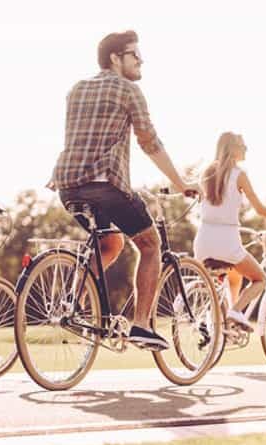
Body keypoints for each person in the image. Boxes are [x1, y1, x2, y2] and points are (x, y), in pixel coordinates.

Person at [50, 30, 199, 350]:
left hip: (67, 185)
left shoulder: (76, 89)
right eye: (134, 54)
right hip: (105, 184)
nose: (141, 59)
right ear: (115, 58)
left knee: (109, 244)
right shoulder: (128, 90)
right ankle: (142, 325)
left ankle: (73, 306)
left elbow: (78, 139)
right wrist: (180, 183)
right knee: (149, 244)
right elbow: (149, 142)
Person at [194, 132, 266, 331]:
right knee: (260, 279)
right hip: (227, 241)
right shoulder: (238, 174)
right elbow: (259, 209)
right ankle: (235, 312)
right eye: (242, 145)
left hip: (203, 240)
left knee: (234, 274)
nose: (246, 148)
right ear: (232, 149)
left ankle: (225, 321)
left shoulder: (206, 172)